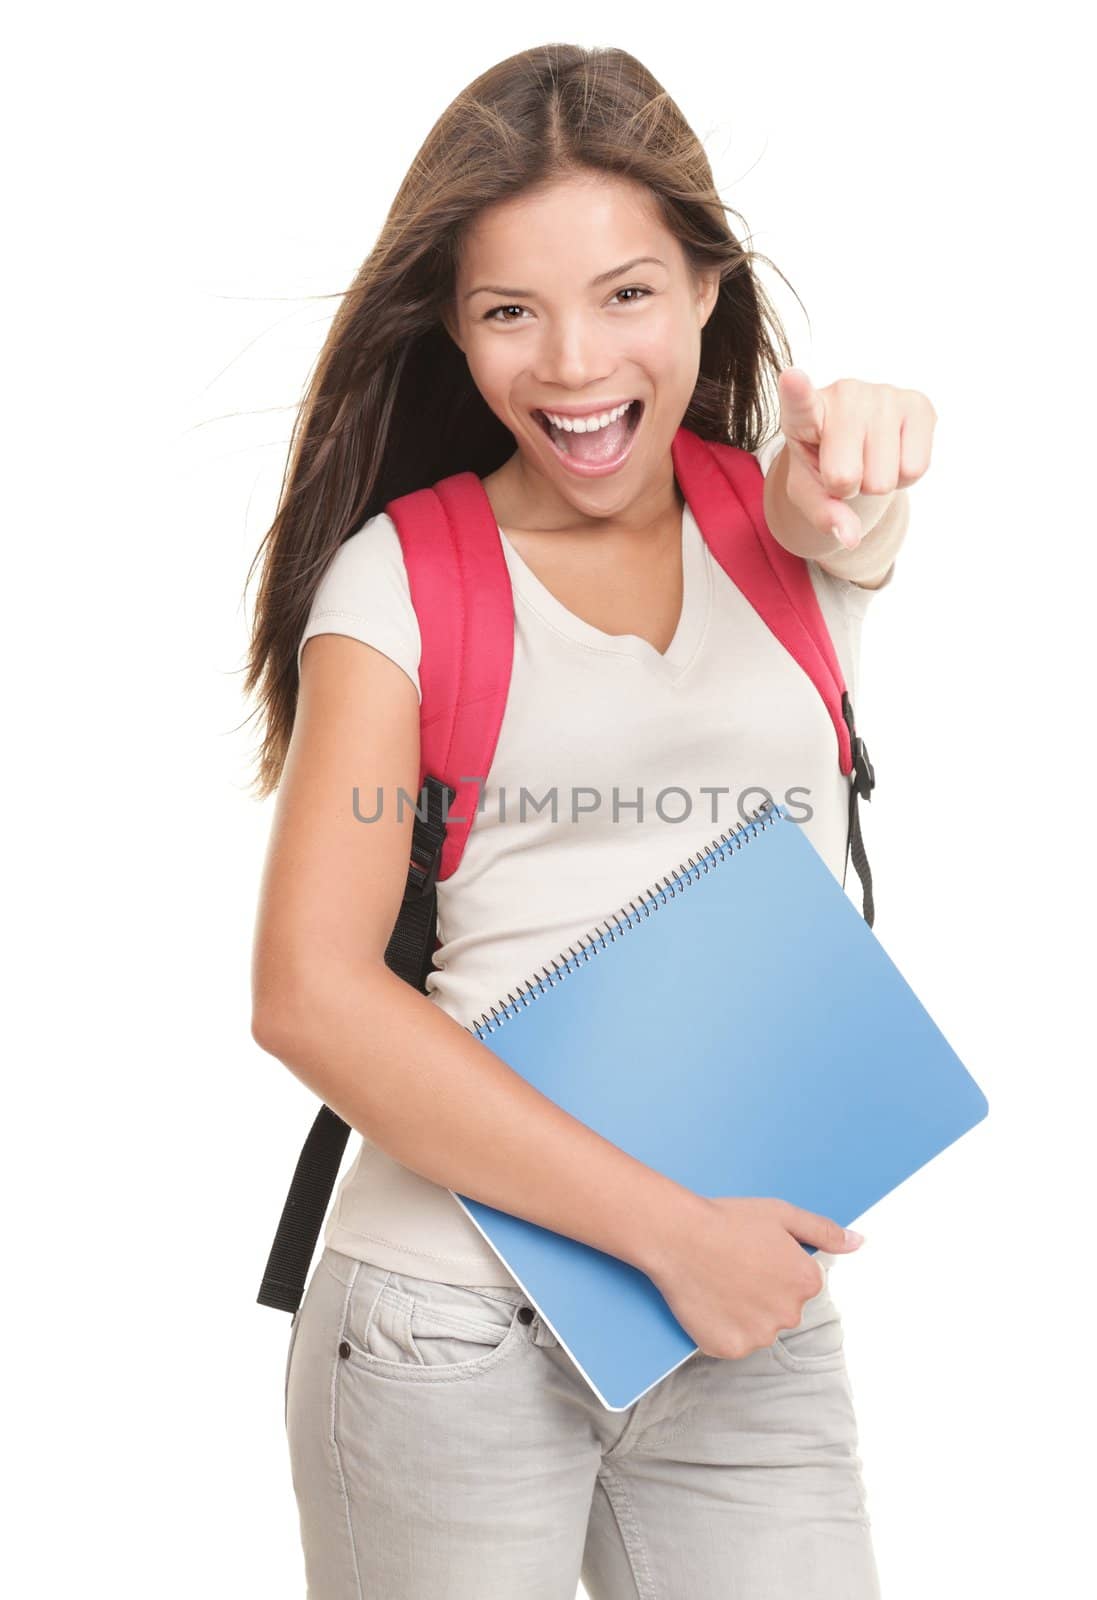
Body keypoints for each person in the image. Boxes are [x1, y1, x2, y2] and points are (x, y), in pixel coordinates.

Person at [245, 41, 933, 1600]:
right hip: (450, 1326)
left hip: (741, 1318)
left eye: (625, 292)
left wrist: (883, 452)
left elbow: (856, 513)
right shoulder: (399, 583)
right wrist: (669, 1235)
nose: (569, 362)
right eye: (509, 310)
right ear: (453, 327)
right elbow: (309, 993)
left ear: (706, 285)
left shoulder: (781, 519)